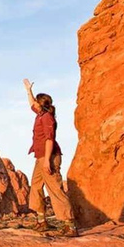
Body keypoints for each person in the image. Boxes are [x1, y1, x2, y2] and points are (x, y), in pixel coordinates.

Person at [23, 79, 78, 237]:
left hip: (49, 156)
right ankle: (42, 220)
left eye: (36, 102)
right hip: (40, 156)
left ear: (41, 104)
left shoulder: (47, 118)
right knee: (36, 186)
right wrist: (29, 90)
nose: (34, 105)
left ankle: (70, 225)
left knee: (54, 188)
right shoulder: (40, 114)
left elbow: (49, 139)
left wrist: (47, 160)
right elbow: (31, 103)